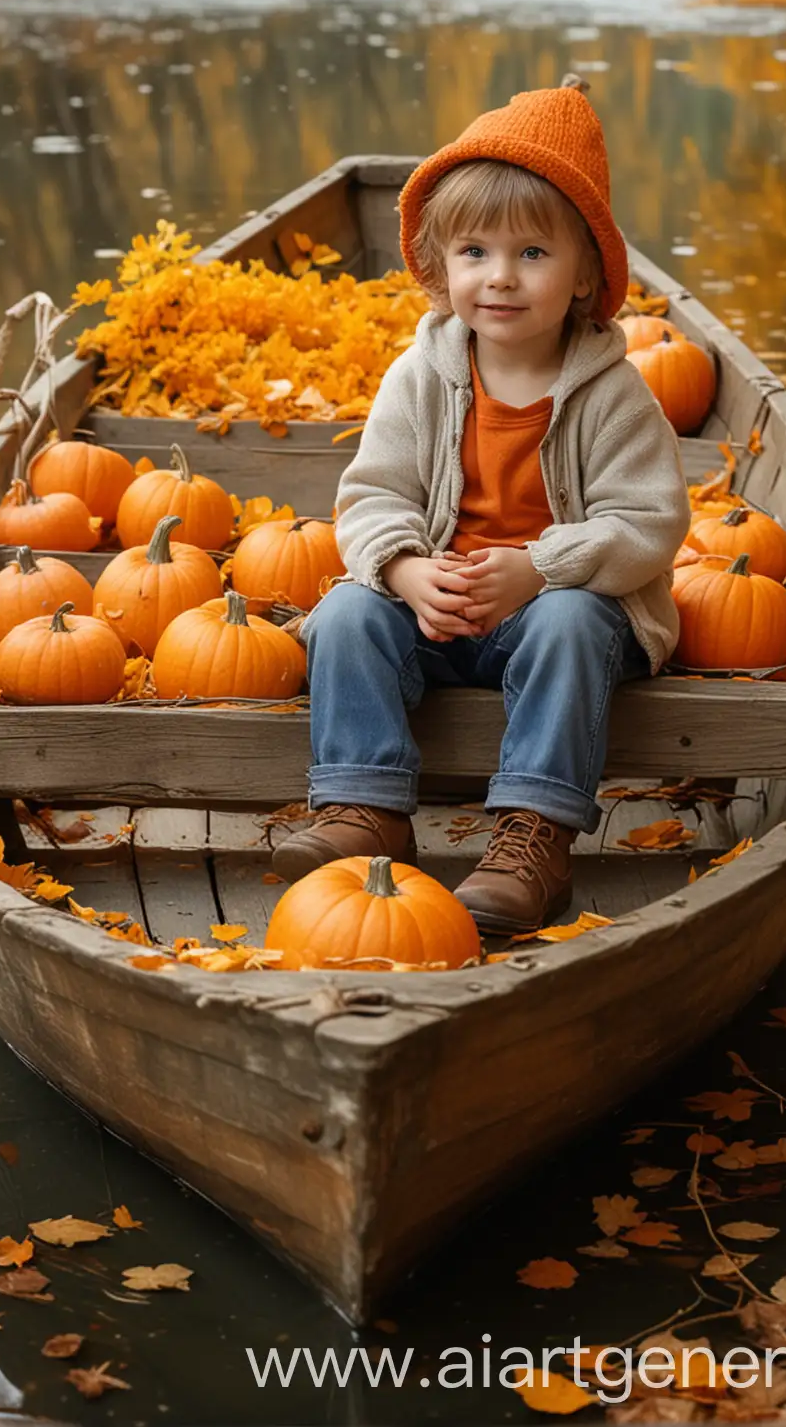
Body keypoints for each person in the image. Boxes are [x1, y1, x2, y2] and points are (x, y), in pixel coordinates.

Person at [272, 76, 691, 933]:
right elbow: (372, 494)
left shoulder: (615, 394)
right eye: (475, 253)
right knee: (348, 613)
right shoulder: (420, 375)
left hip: (553, 616)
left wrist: (539, 569)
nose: (500, 278)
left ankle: (532, 834)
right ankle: (364, 808)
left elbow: (648, 523)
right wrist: (404, 567)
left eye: (533, 255)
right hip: (437, 606)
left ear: (583, 276)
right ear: (440, 265)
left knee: (574, 622)